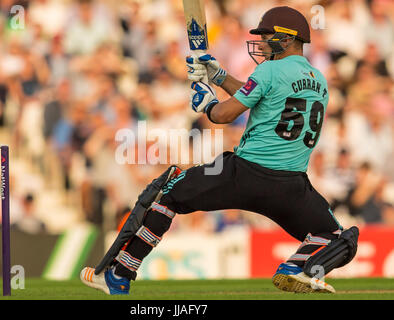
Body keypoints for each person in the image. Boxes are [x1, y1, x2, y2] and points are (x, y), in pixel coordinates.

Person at [80, 6, 359, 295]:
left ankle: (120, 273)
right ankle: (297, 268)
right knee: (336, 237)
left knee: (168, 195)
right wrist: (219, 75)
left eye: (266, 36)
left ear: (285, 39)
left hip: (245, 173)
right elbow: (264, 95)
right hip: (291, 185)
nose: (261, 43)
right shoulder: (319, 79)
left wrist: (208, 106)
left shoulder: (269, 70)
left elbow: (225, 115)